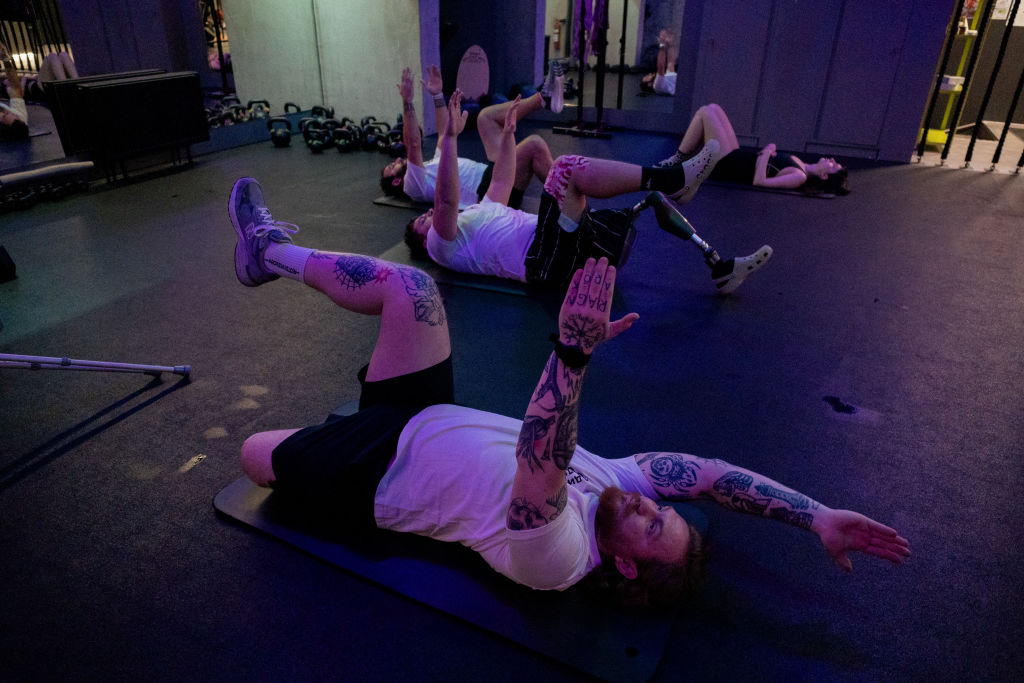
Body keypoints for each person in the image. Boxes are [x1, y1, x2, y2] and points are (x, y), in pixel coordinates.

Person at [228, 175, 912, 609]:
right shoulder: (615, 484)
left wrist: (573, 355)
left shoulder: (555, 558)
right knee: (411, 285)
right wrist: (813, 513)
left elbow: (539, 463)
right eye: (659, 511)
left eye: (650, 525)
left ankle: (295, 434)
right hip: (423, 409)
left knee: (253, 456)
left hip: (373, 468)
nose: (650, 504)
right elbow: (705, 478)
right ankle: (265, 255)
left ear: (624, 563)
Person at [406, 90, 771, 295]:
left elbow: (502, 181)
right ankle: (673, 178)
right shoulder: (442, 246)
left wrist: (506, 136)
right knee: (565, 169)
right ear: (424, 242)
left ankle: (720, 265)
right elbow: (445, 201)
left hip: (558, 244)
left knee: (647, 200)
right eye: (421, 223)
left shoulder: (476, 214)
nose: (426, 219)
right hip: (544, 263)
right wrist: (451, 137)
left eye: (422, 217)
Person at [380, 64, 558, 209]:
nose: (395, 160)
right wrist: (407, 101)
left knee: (485, 118)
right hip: (490, 192)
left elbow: (444, 133)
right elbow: (413, 144)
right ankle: (568, 202)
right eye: (392, 166)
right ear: (396, 181)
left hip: (492, 174)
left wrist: (437, 95)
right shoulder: (413, 186)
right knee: (534, 145)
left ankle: (543, 98)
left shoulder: (433, 168)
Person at [655, 103, 850, 196]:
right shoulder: (803, 164)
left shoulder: (799, 176)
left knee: (705, 113)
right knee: (713, 108)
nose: (830, 159)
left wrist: (766, 153)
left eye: (833, 165)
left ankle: (678, 159)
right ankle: (682, 159)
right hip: (737, 156)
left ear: (824, 176)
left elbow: (760, 181)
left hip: (727, 165)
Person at [0, 42, 29, 141]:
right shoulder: (19, 117)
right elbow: (16, 88)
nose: (8, 111)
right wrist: (5, 59)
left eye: (4, 116)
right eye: (12, 114)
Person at [640, 29, 677, 96]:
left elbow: (671, 62)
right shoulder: (657, 86)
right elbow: (661, 66)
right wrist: (662, 45)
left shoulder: (666, 80)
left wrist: (671, 44)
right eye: (647, 76)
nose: (650, 74)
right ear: (649, 84)